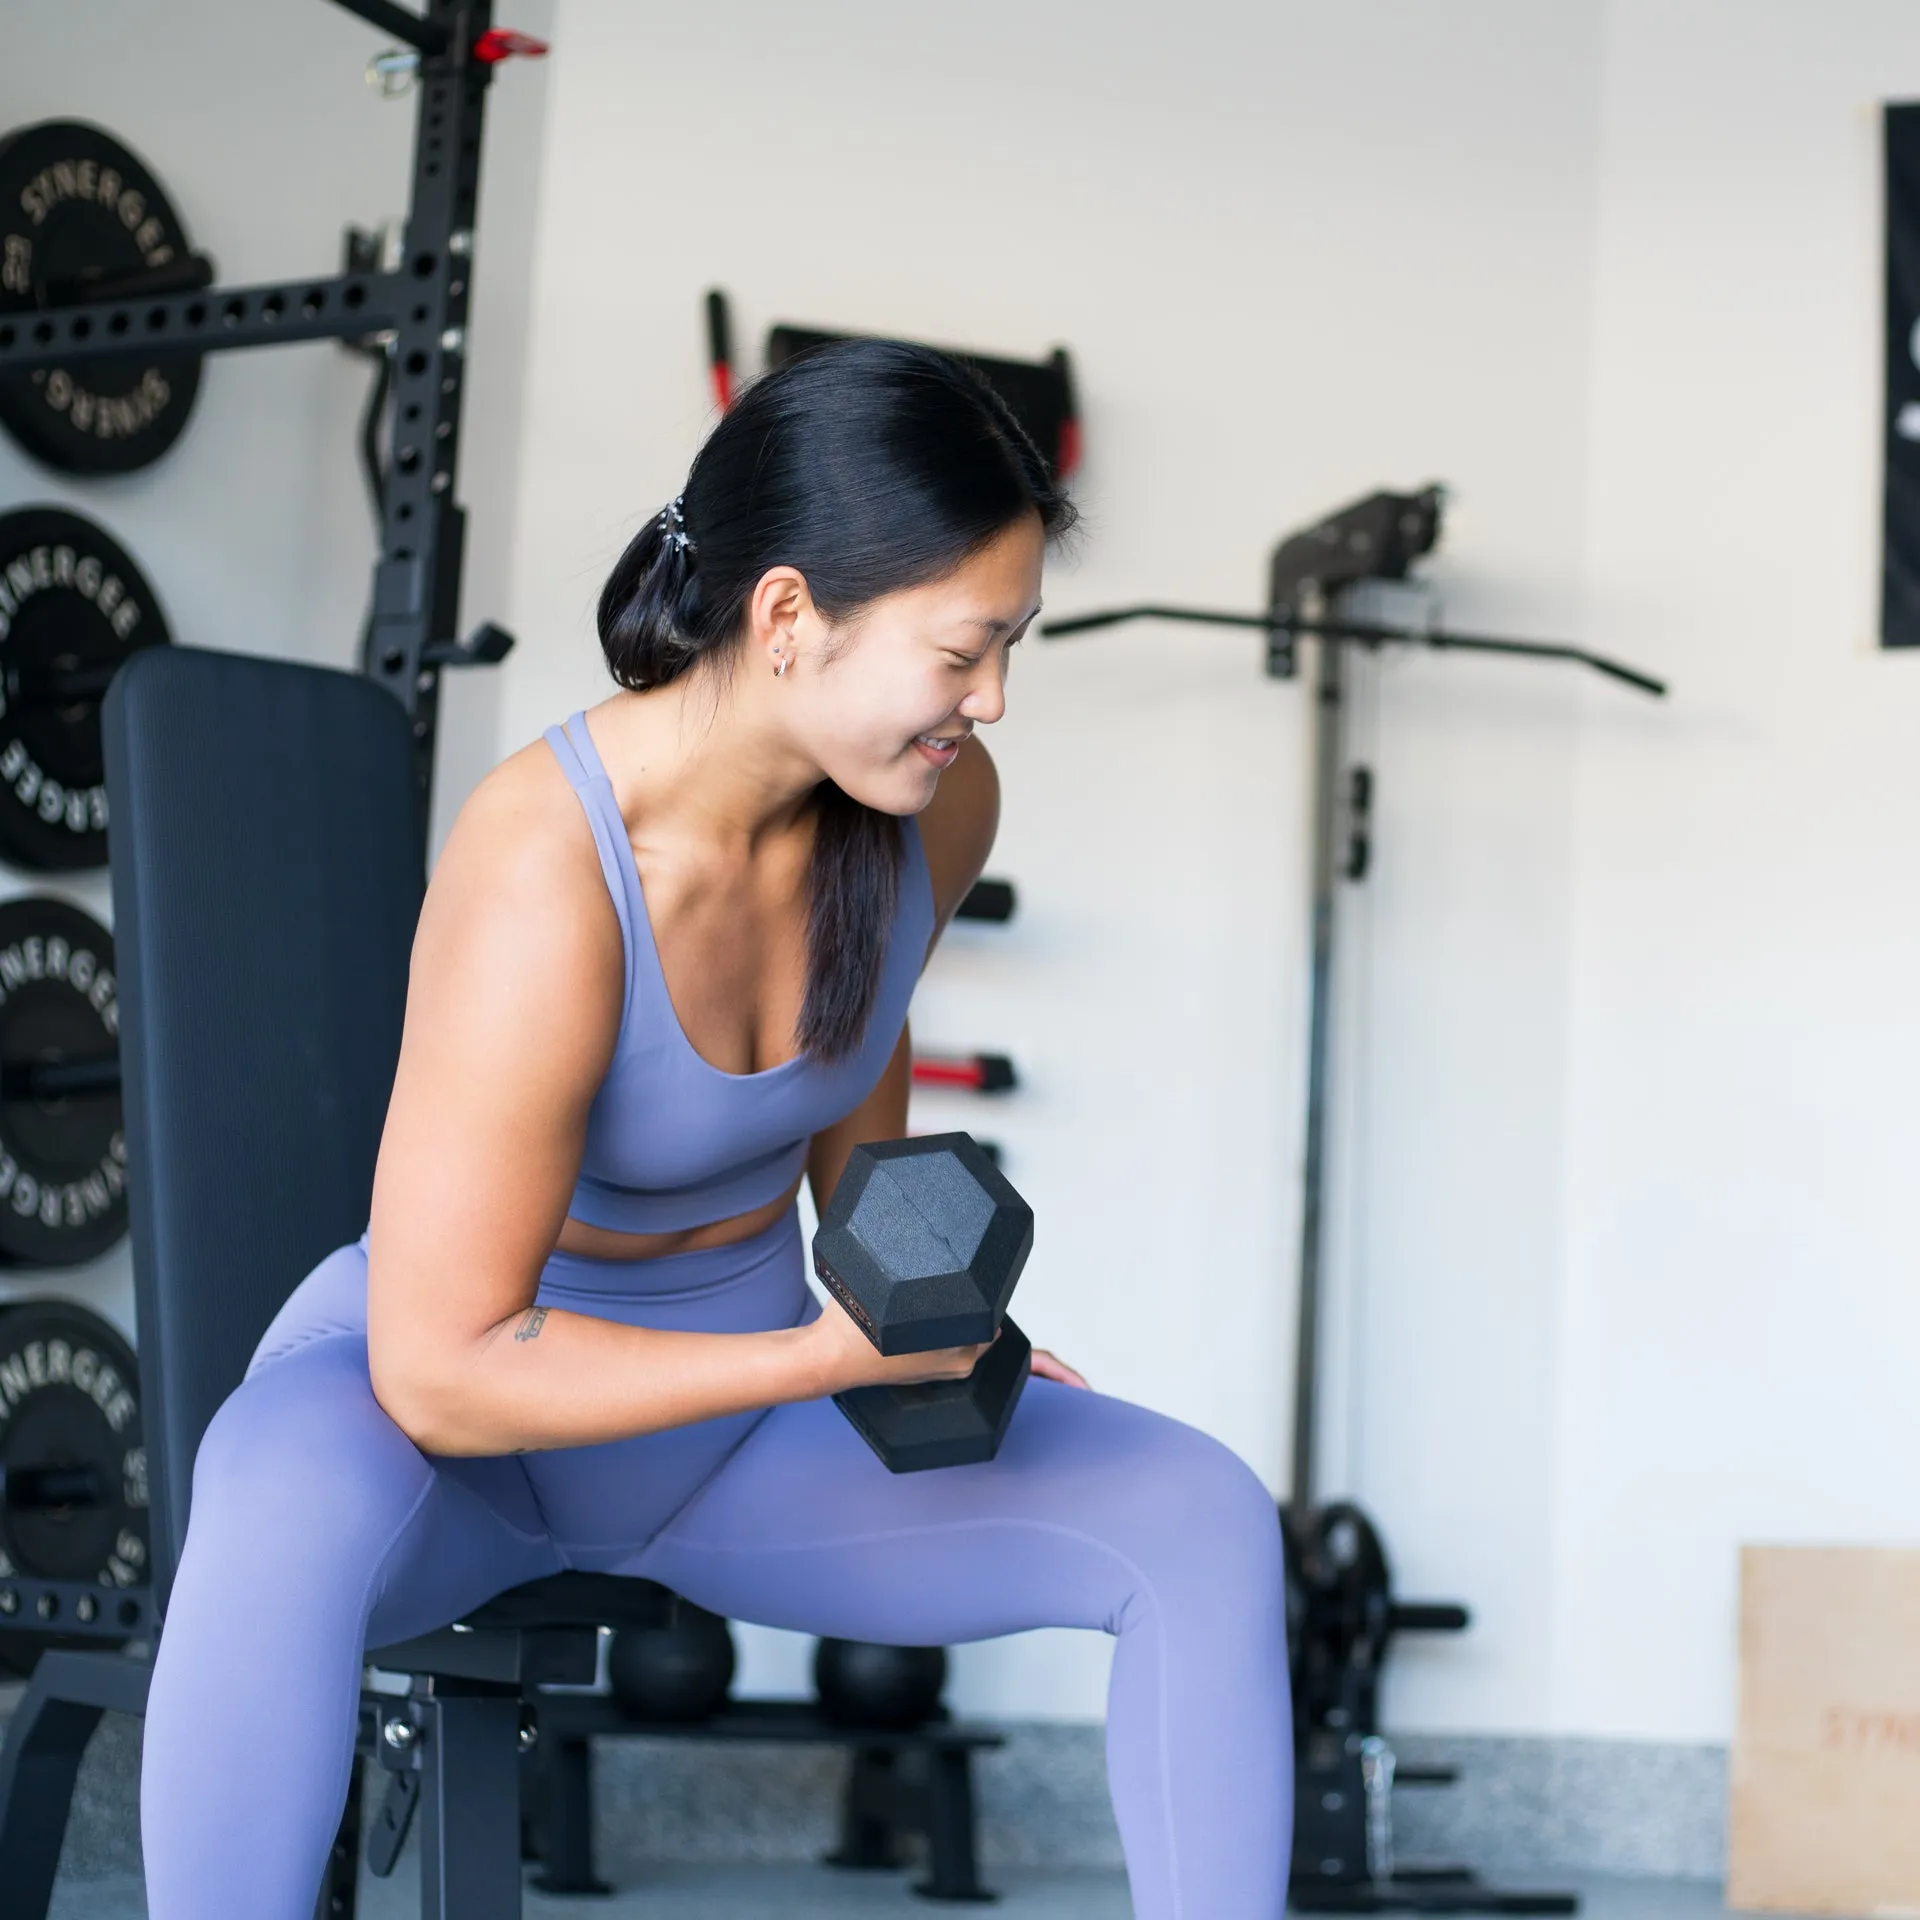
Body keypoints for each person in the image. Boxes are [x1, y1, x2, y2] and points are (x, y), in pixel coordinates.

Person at [139, 339, 1292, 1917]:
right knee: (269, 1478)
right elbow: (443, 1366)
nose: (994, 700)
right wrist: (824, 1358)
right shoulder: (545, 862)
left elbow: (857, 1120)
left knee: (1202, 1517)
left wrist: (936, 1320)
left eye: (1013, 647)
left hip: (738, 1448)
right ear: (787, 617)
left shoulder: (928, 806)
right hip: (453, 1449)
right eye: (963, 651)